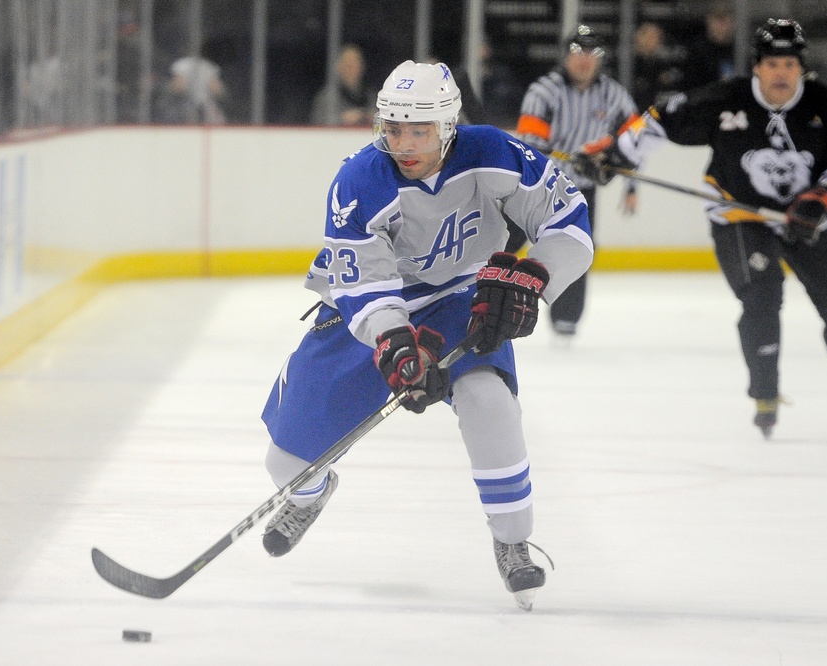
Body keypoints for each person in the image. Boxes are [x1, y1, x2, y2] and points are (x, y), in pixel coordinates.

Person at [258, 61, 593, 610]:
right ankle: (312, 493)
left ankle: (512, 543)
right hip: (367, 313)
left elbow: (570, 225)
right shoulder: (359, 179)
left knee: (490, 403)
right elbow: (366, 287)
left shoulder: (493, 151)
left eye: (419, 130)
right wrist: (395, 343)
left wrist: (535, 279)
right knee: (285, 463)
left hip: (461, 297)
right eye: (393, 128)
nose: (404, 143)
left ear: (448, 126)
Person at [574, 18, 827, 439]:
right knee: (763, 294)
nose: (781, 73)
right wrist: (615, 152)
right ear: (756, 67)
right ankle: (765, 393)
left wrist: (822, 200)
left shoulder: (826, 105)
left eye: (789, 63)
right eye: (773, 64)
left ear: (800, 67)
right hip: (740, 215)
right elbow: (659, 120)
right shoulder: (725, 99)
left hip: (808, 219)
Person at [515, 24, 639, 338]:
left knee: (577, 249)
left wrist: (619, 173)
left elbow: (635, 139)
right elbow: (530, 147)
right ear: (565, 57)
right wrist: (572, 158)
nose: (583, 60)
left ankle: (567, 318)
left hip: (579, 192)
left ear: (601, 59)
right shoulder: (543, 91)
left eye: (591, 53)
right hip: (534, 187)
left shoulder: (613, 94)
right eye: (576, 52)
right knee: (503, 241)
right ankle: (468, 292)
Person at [309, 44, 377, 127]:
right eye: (347, 65)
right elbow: (316, 123)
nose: (352, 69)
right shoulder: (327, 97)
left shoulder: (372, 97)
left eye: (355, 64)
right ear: (338, 68)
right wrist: (342, 120)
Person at [682, 1, 737, 91]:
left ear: (733, 22)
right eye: (717, 19)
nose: (721, 25)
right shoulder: (697, 53)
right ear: (708, 21)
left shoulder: (741, 50)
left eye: (725, 19)